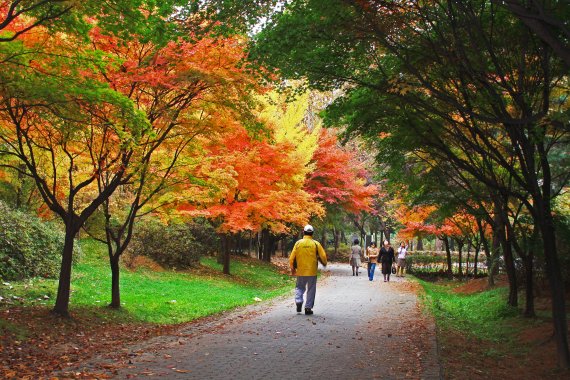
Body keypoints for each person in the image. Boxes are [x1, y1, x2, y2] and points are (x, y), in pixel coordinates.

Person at [289, 224, 328, 315]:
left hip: (301, 271)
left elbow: (291, 258)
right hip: (312, 271)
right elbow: (323, 256)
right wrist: (325, 263)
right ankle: (308, 308)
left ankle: (298, 301)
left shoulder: (298, 243)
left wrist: (292, 269)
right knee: (311, 289)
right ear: (312, 233)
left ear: (304, 232)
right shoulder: (315, 243)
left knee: (299, 287)